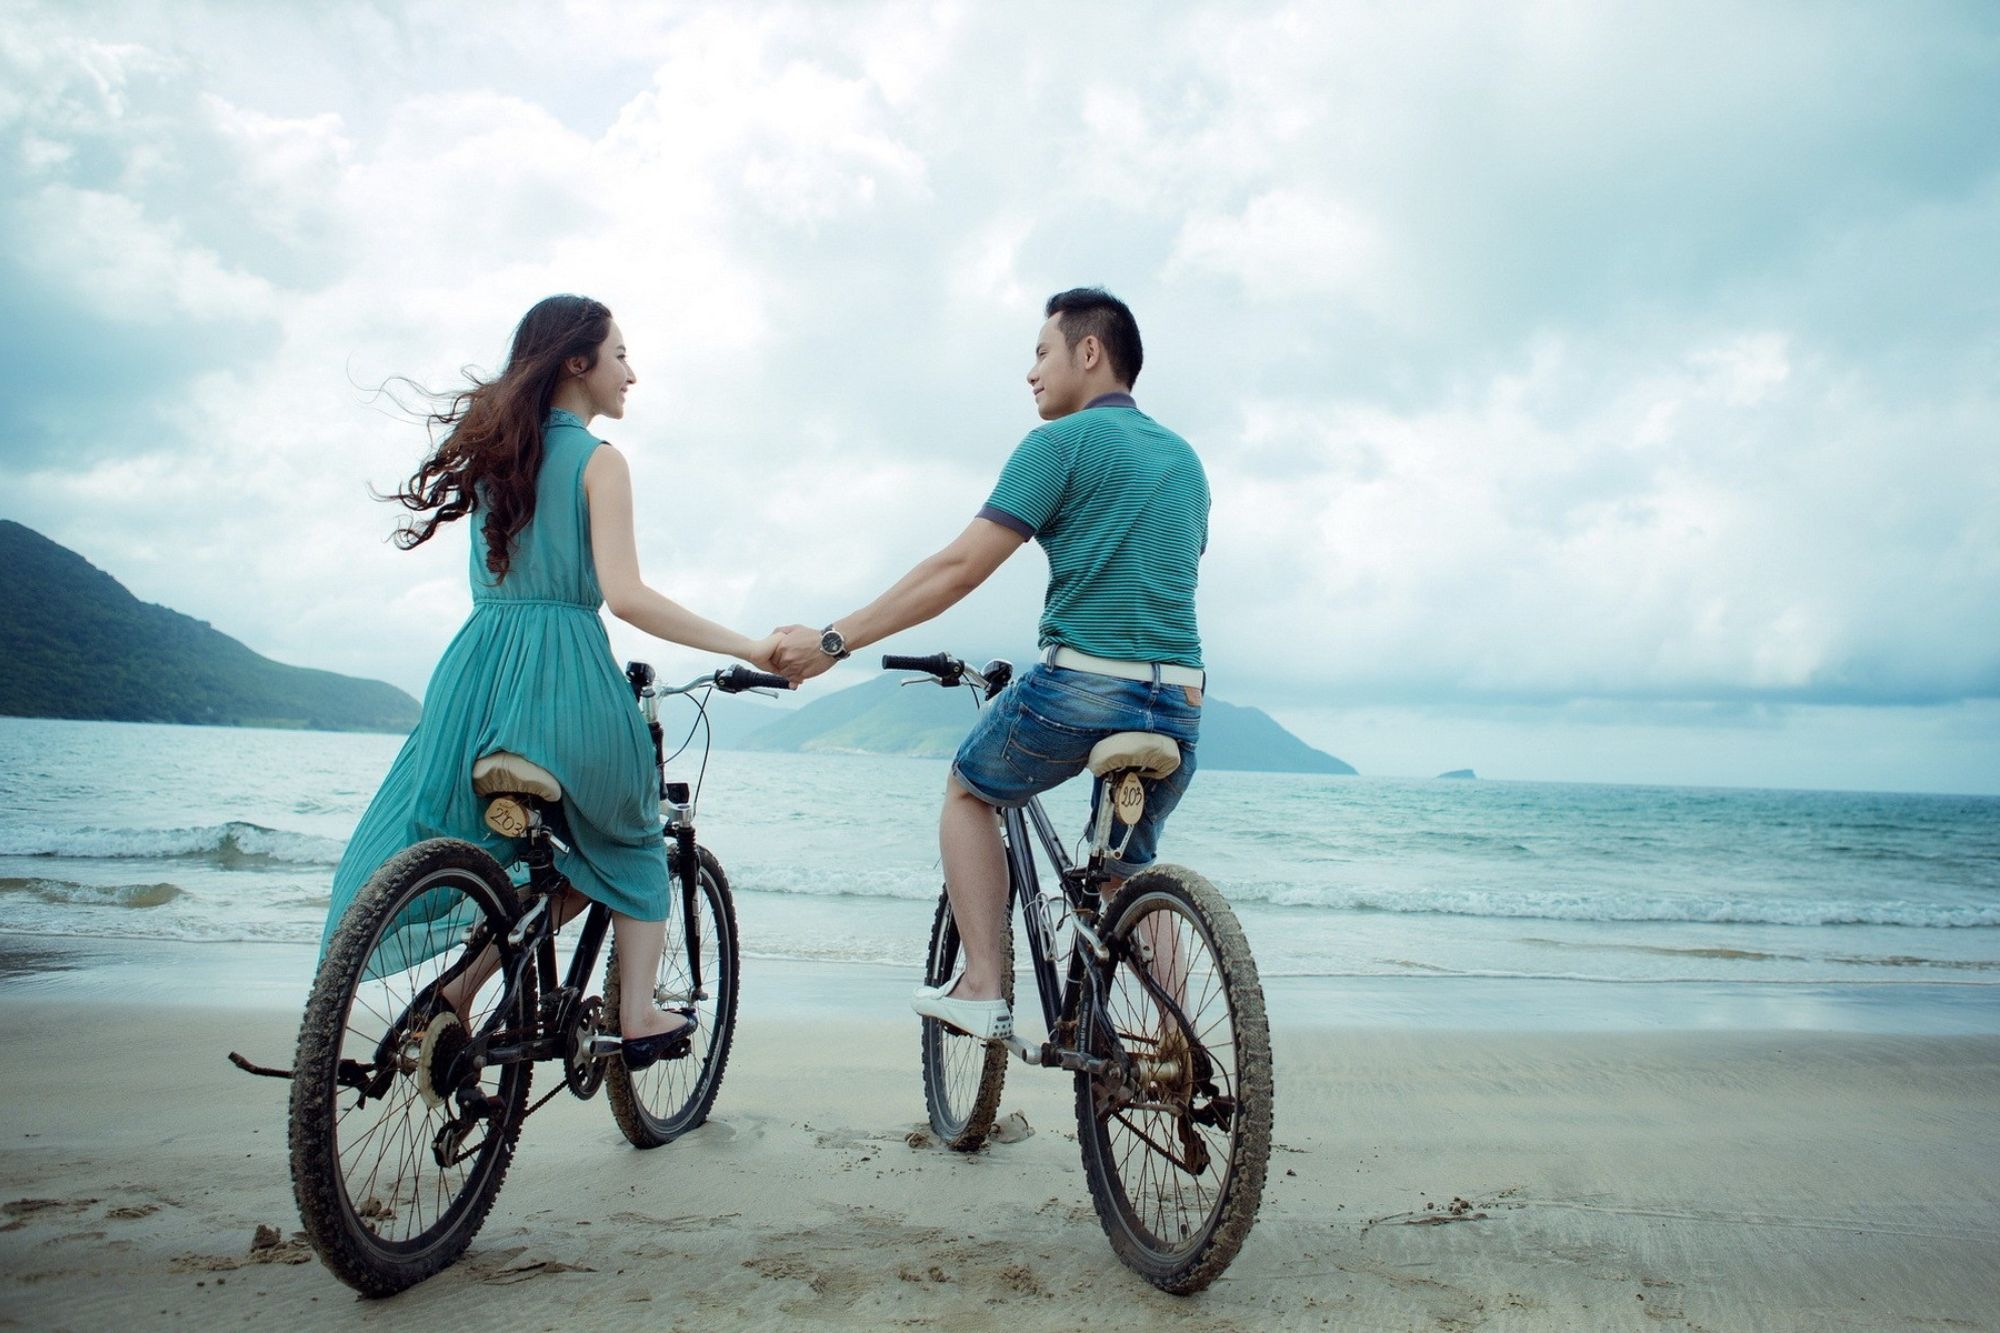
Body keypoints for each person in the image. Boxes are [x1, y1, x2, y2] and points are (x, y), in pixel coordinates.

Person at [323, 294, 783, 1068]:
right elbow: (628, 596)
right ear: (579, 362)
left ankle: (459, 991)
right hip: (565, 676)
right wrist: (750, 645)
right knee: (632, 837)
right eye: (621, 355)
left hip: (475, 680)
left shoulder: (493, 458)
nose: (632, 372)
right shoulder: (600, 462)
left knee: (535, 856)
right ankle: (635, 1012)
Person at [771, 287, 1208, 1041]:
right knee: (1125, 872)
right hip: (1181, 703)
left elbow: (957, 571)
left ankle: (981, 985)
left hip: (1081, 690)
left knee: (969, 791)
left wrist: (834, 639)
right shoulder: (1186, 461)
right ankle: (1182, 1041)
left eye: (1042, 352)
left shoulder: (1057, 446)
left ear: (1090, 352)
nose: (1031, 371)